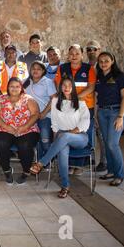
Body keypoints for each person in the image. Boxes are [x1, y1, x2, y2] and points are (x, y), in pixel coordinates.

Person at [30, 77, 90, 198]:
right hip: (62, 136)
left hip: (80, 136)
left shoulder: (81, 102)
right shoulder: (55, 102)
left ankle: (42, 162)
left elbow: (85, 121)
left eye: (69, 85)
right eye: (64, 85)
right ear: (60, 87)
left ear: (73, 87)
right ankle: (65, 186)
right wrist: (57, 139)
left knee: (65, 136)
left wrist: (72, 132)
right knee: (62, 151)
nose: (66, 87)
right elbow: (55, 124)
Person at [54, 44, 96, 175]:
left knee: (84, 133)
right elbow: (58, 84)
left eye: (77, 53)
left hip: (86, 107)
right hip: (67, 107)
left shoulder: (89, 69)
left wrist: (75, 97)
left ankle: (81, 165)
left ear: (82, 55)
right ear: (68, 55)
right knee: (69, 132)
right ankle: (70, 163)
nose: (74, 56)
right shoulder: (62, 68)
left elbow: (91, 87)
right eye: (71, 54)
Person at [0, 77, 40, 185]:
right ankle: (7, 170)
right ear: (8, 87)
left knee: (24, 145)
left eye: (17, 86)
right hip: (5, 128)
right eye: (12, 86)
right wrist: (6, 126)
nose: (14, 88)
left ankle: (26, 171)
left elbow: (35, 114)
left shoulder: (28, 99)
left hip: (27, 129)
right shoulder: (1, 99)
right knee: (1, 143)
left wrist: (24, 127)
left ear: (21, 87)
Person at [95, 52, 124, 186]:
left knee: (112, 143)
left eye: (106, 61)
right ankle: (111, 170)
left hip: (116, 111)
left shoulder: (120, 76)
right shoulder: (98, 77)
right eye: (101, 61)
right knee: (106, 142)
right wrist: (96, 114)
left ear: (112, 61)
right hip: (102, 112)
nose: (103, 63)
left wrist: (120, 116)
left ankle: (120, 175)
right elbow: (96, 96)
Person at [24, 61, 57, 158]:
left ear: (43, 71)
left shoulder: (47, 82)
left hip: (45, 116)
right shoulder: (26, 82)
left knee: (44, 139)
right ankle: (39, 161)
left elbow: (54, 99)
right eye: (33, 68)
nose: (35, 71)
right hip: (30, 117)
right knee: (32, 139)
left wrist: (43, 113)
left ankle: (48, 159)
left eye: (38, 69)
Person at [85, 40, 107, 172]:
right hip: (88, 105)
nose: (91, 51)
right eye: (89, 49)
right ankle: (90, 159)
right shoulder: (86, 67)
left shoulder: (104, 66)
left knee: (102, 135)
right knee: (89, 133)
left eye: (94, 49)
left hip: (101, 105)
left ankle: (104, 161)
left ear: (99, 50)